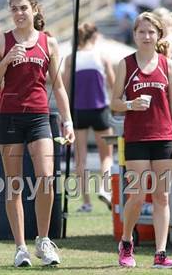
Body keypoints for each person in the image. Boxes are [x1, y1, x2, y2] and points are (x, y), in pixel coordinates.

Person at [0, 0, 75, 267]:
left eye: (23, 8)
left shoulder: (49, 42)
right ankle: (20, 247)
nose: (18, 13)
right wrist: (6, 59)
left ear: (34, 10)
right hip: (10, 117)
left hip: (39, 117)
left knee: (46, 178)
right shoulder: (2, 40)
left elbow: (58, 86)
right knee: (13, 185)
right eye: (14, 9)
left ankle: (44, 240)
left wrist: (68, 120)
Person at [111, 12, 172, 269]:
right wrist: (131, 104)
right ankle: (126, 242)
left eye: (151, 32)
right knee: (136, 195)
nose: (146, 36)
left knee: (162, 196)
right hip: (136, 138)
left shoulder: (168, 65)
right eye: (141, 32)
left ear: (159, 35)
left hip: (164, 137)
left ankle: (161, 254)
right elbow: (114, 104)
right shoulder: (126, 64)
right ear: (134, 34)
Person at [62, 23, 115, 213]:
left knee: (80, 158)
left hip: (78, 111)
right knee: (107, 156)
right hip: (100, 110)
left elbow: (64, 87)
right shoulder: (102, 56)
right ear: (94, 36)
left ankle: (86, 202)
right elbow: (114, 84)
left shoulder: (70, 58)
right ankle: (105, 189)